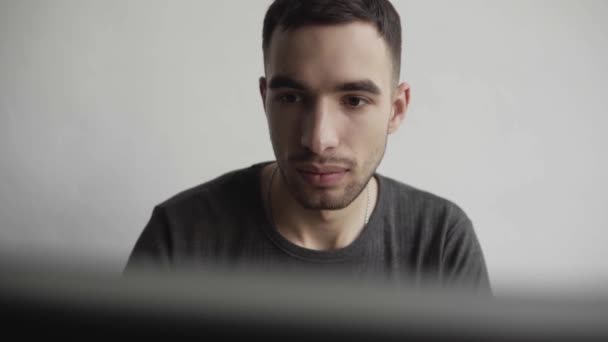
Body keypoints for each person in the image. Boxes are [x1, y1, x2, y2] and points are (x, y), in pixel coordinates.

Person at [125, 0, 491, 294]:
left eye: (354, 100)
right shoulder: (181, 235)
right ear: (264, 99)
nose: (318, 140)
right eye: (291, 98)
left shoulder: (440, 241)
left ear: (396, 110)